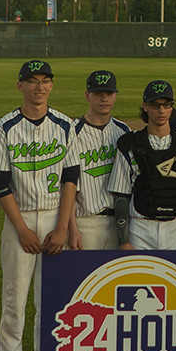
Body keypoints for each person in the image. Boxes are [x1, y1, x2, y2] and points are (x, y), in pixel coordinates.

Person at [0, 60, 80, 351]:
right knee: (14, 301)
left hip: (55, 218)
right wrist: (22, 228)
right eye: (32, 81)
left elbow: (72, 176)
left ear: (51, 86)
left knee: (50, 301)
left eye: (45, 81)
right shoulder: (6, 127)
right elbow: (0, 181)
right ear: (20, 86)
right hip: (20, 220)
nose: (39, 87)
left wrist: (61, 226)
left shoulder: (65, 125)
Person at [111, 81, 176, 250]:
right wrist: (123, 240)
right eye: (155, 105)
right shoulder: (130, 145)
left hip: (174, 229)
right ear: (145, 106)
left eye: (166, 105)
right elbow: (121, 197)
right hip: (140, 229)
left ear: (172, 107)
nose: (161, 111)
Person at [71, 70, 131, 251]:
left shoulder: (123, 130)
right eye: (98, 94)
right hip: (85, 223)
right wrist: (72, 227)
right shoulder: (72, 132)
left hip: (119, 222)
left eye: (109, 93)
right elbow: (67, 185)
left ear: (115, 96)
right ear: (87, 95)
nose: (104, 99)